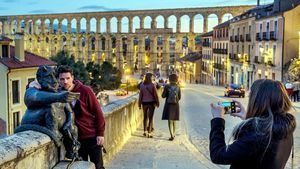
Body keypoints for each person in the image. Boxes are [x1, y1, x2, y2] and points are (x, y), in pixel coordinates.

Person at [209, 79, 296, 169]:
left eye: (251, 96)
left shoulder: (257, 137)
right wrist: (248, 118)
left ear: (257, 102)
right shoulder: (285, 128)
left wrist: (218, 120)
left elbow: (218, 155)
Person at [57, 65, 106, 169]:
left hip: (91, 137)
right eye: (62, 79)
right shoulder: (59, 94)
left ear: (72, 78)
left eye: (67, 78)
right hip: (75, 141)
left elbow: (98, 113)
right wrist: (32, 85)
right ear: (58, 80)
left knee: (98, 167)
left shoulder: (85, 90)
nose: (65, 81)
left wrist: (100, 134)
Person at [138, 72, 159, 138]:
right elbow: (155, 95)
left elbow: (140, 95)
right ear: (150, 78)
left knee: (145, 117)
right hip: (151, 103)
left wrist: (139, 104)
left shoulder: (142, 85)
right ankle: (149, 133)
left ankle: (144, 131)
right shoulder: (152, 85)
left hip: (144, 103)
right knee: (150, 118)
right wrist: (157, 102)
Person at [161, 74, 181, 141]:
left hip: (168, 105)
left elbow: (163, 96)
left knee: (170, 120)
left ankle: (171, 135)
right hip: (175, 105)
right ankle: (174, 133)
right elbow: (179, 97)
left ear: (169, 79)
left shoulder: (167, 86)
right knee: (174, 120)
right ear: (176, 79)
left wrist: (166, 93)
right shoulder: (178, 87)